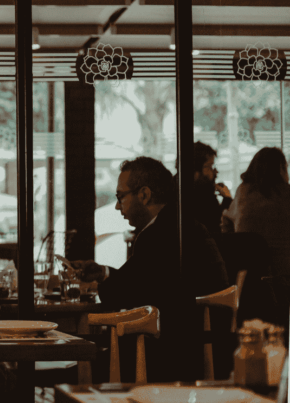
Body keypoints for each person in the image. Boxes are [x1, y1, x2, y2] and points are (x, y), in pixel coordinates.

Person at [75, 156, 228, 381]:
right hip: (210, 347)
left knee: (79, 364)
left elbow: (119, 295)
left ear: (144, 195)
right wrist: (104, 273)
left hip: (171, 358)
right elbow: (141, 282)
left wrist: (104, 284)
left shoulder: (158, 234)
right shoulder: (181, 224)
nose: (117, 206)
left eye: (120, 196)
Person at [222, 147, 290, 284]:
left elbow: (226, 224)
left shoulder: (243, 192)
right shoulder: (286, 194)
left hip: (248, 275)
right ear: (281, 169)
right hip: (284, 273)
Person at [179, 141, 231, 238]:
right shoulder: (203, 195)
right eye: (210, 166)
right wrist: (227, 199)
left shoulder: (177, 191)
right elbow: (216, 226)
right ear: (195, 172)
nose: (215, 171)